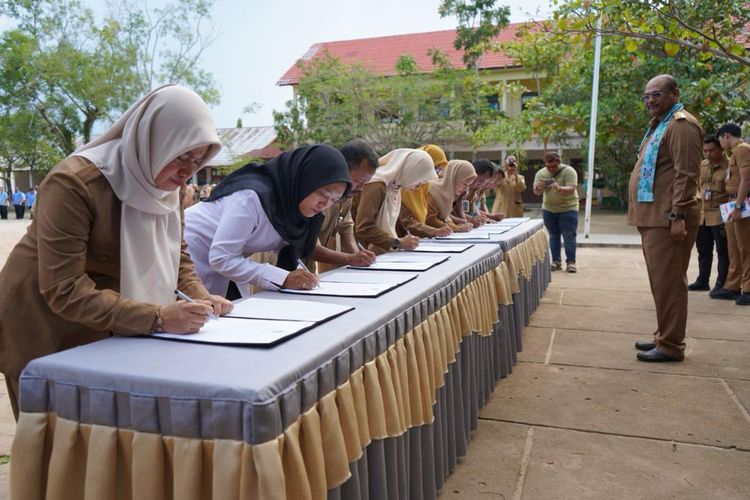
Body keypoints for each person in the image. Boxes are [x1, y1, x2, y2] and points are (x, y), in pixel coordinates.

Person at [0, 85, 234, 419]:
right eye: (182, 156)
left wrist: (199, 296)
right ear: (155, 139)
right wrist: (155, 317)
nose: (187, 173)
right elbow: (63, 288)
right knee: (55, 439)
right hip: (44, 321)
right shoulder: (75, 184)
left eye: (198, 161)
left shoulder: (167, 186)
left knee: (107, 436)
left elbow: (176, 253)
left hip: (114, 318)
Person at [184, 145, 354, 298]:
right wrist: (283, 277)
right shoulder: (250, 198)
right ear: (305, 180)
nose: (325, 204)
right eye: (323, 194)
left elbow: (287, 249)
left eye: (334, 199)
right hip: (188, 256)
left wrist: (301, 276)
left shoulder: (292, 209)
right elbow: (222, 258)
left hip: (224, 266)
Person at [628, 74, 702, 362]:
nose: (650, 101)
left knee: (670, 282)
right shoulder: (660, 126)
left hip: (667, 218)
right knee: (662, 282)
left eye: (656, 95)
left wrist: (678, 214)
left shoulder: (681, 125)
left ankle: (671, 345)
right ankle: (663, 335)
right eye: (646, 96)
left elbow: (687, 174)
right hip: (653, 217)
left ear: (674, 93)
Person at [355, 148, 437, 253]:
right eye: (418, 178)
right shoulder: (377, 185)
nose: (419, 185)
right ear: (409, 171)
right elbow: (363, 229)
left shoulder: (394, 187)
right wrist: (397, 243)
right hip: (365, 253)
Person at [315, 139, 379, 272]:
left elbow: (346, 226)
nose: (361, 189)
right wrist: (350, 259)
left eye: (365, 183)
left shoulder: (347, 194)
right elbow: (309, 247)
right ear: (342, 169)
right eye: (358, 181)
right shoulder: (316, 194)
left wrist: (357, 256)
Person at [711, 123, 750, 305]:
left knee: (745, 247)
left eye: (720, 139)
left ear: (726, 136)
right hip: (731, 201)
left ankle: (748, 289)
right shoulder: (734, 152)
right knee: (733, 247)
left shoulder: (743, 150)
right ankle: (733, 286)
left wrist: (738, 206)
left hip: (741, 203)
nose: (720, 144)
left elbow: (746, 180)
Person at [688, 135, 729, 293]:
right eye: (705, 150)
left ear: (720, 149)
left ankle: (722, 282)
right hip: (702, 215)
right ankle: (702, 280)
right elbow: (697, 186)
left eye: (712, 150)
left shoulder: (729, 166)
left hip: (720, 215)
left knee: (723, 251)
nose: (708, 153)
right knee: (703, 250)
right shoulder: (702, 165)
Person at [534, 152, 579, 273]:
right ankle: (556, 261)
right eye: (549, 166)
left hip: (569, 208)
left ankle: (571, 262)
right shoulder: (541, 173)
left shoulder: (569, 171)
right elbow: (537, 192)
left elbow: (571, 189)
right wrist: (539, 187)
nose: (551, 169)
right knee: (554, 236)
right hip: (549, 209)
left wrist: (558, 188)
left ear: (559, 162)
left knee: (569, 235)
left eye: (554, 166)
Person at [424, 160, 476, 232]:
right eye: (464, 184)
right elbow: (430, 220)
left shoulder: (448, 193)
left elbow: (444, 218)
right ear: (454, 178)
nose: (466, 189)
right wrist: (456, 228)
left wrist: (455, 226)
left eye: (468, 185)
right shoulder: (433, 191)